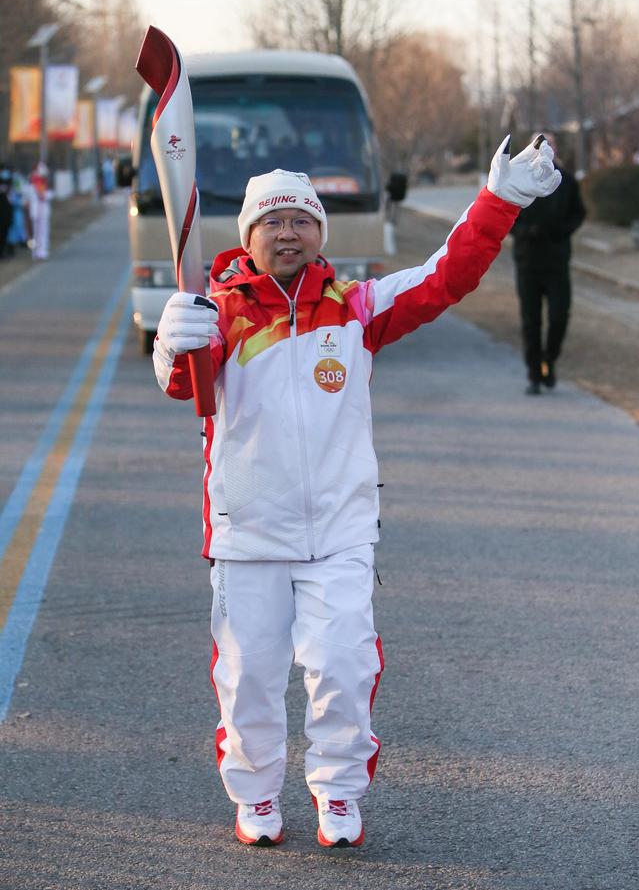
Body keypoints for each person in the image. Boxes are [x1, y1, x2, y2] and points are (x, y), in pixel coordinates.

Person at [152, 136, 561, 849]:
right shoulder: (217, 311)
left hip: (340, 532)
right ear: (249, 235)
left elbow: (446, 277)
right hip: (248, 533)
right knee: (248, 680)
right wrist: (171, 342)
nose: (288, 232)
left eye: (302, 220)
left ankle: (337, 793)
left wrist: (502, 200)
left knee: (343, 663)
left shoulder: (357, 308)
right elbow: (189, 386)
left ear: (319, 233)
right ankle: (255, 795)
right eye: (273, 221)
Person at [510, 133, 586, 394]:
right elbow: (507, 215)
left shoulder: (566, 180)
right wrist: (525, 231)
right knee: (531, 322)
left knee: (559, 316)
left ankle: (548, 361)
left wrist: (561, 232)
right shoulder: (518, 180)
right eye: (539, 145)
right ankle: (534, 374)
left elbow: (579, 213)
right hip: (528, 262)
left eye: (548, 145)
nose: (544, 149)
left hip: (556, 262)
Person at [27, 162, 54, 261]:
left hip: (44, 210)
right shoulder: (32, 184)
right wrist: (37, 193)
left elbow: (51, 194)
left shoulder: (46, 183)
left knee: (44, 231)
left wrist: (44, 196)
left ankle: (43, 250)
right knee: (35, 232)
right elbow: (29, 195)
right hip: (35, 211)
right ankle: (35, 252)